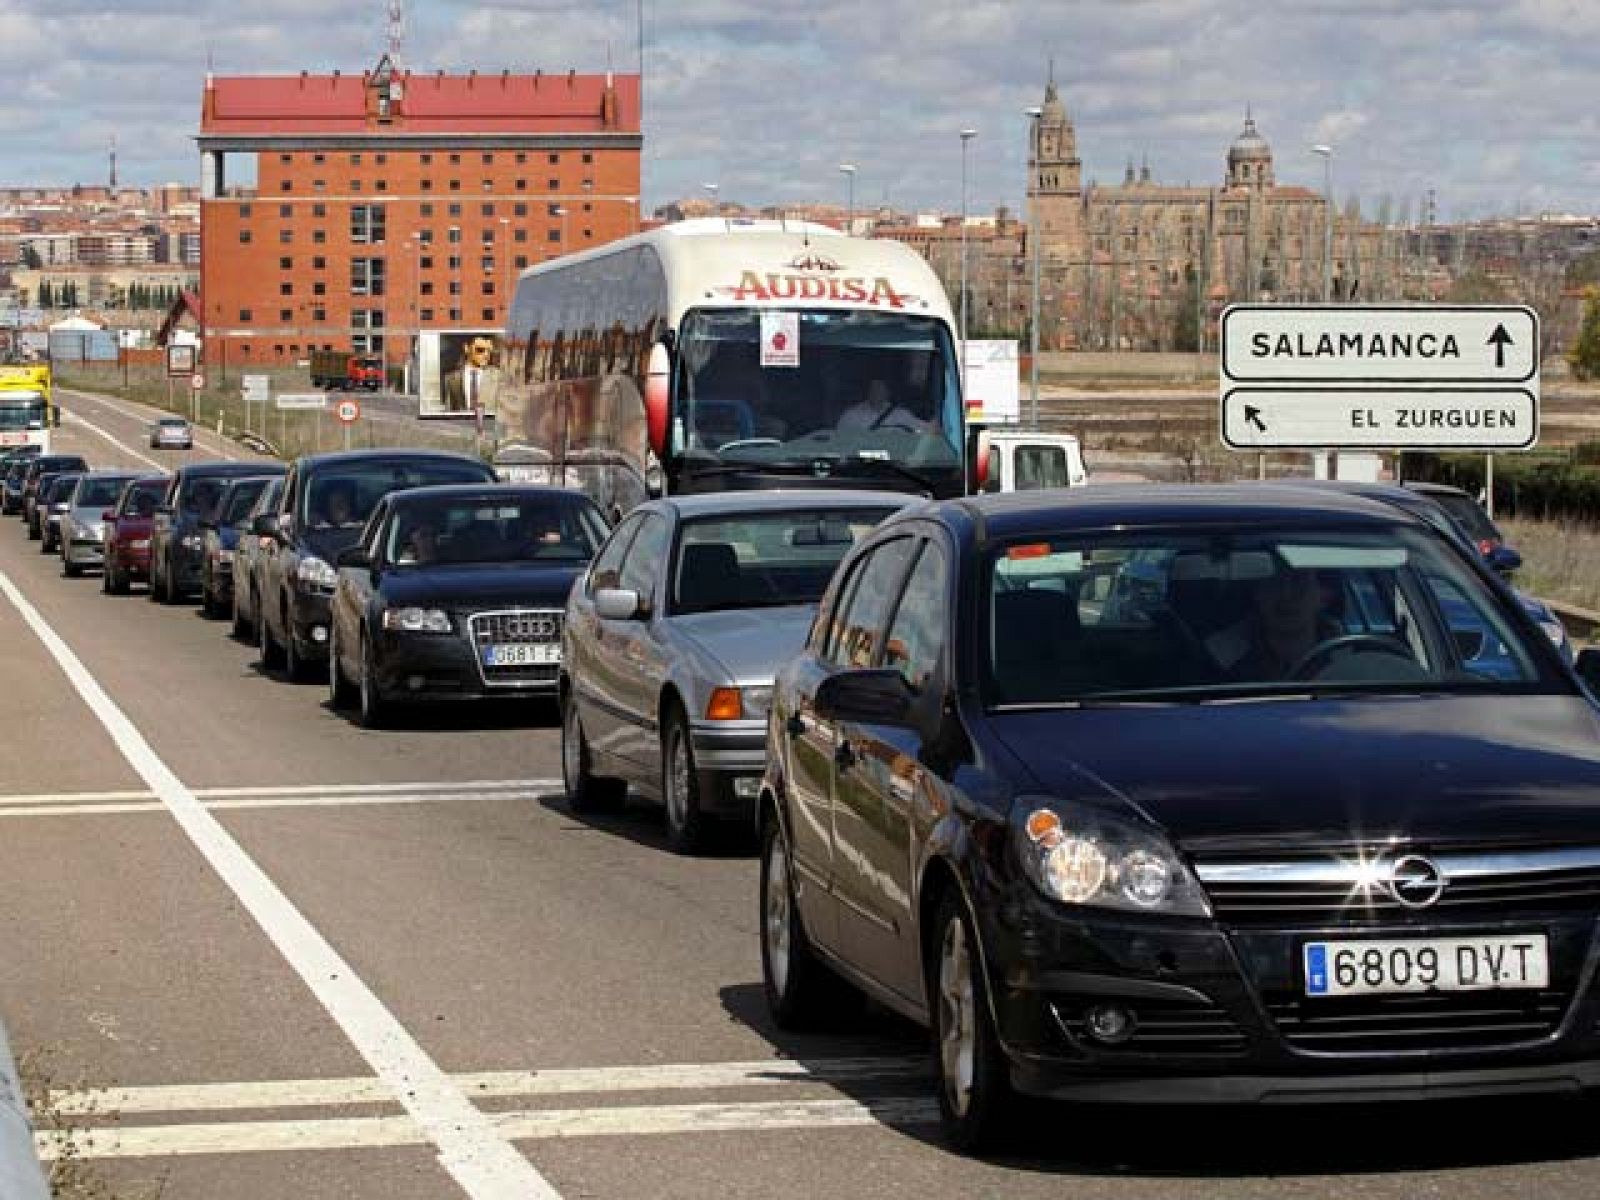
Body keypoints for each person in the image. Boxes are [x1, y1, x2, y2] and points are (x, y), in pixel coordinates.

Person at [1208, 565, 1339, 680]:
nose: (1286, 595)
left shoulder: (1348, 652)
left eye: (1298, 581)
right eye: (1274, 581)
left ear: (1325, 596)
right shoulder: (1222, 656)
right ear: (1256, 593)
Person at [836, 378, 929, 433]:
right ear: (867, 391)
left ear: (888, 392)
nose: (877, 392)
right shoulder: (851, 415)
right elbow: (839, 441)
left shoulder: (900, 415)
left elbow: (925, 431)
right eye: (874, 388)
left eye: (880, 389)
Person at [442, 335, 504, 416]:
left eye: (489, 351)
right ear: (467, 348)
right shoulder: (451, 379)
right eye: (480, 350)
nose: (486, 355)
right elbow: (449, 411)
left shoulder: (499, 376)